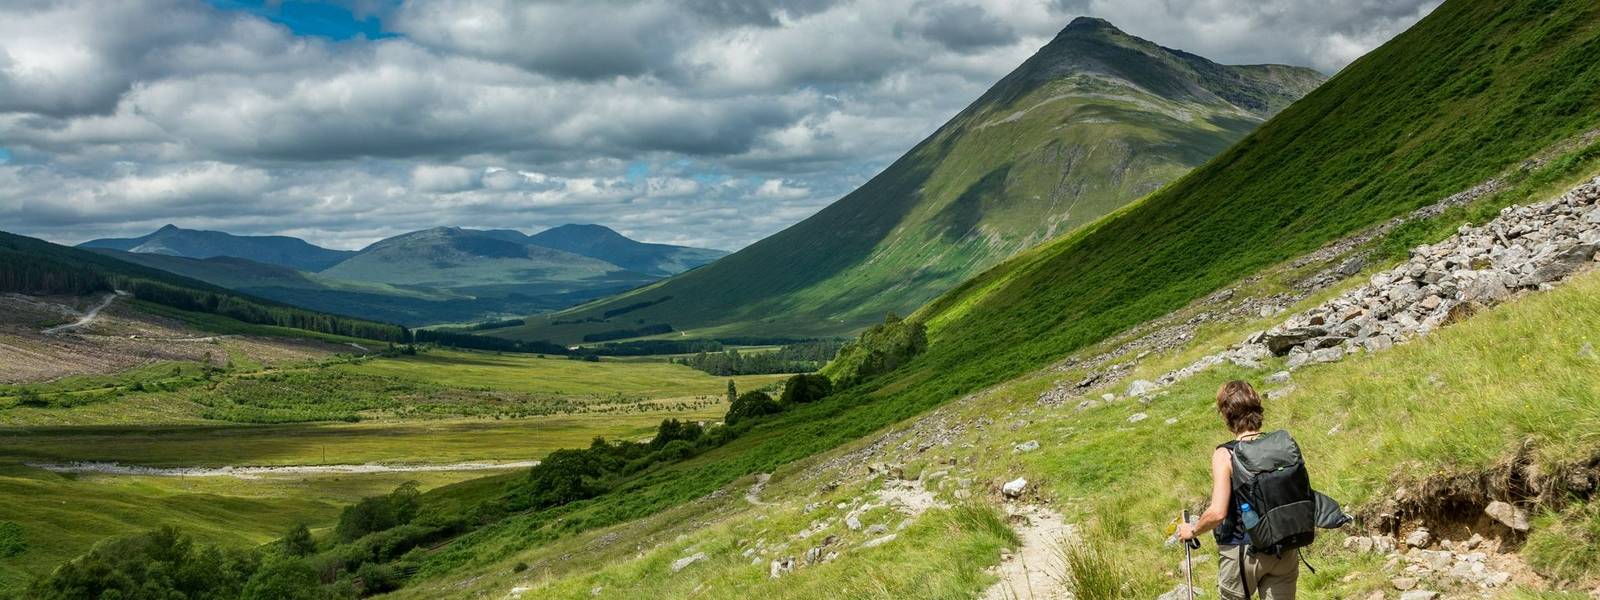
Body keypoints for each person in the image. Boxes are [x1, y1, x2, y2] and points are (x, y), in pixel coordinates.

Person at [1176, 380, 1299, 599]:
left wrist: (1192, 531)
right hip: (1284, 547)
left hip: (1242, 551)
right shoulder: (1281, 444)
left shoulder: (1225, 454)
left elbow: (1217, 513)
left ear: (1226, 413)